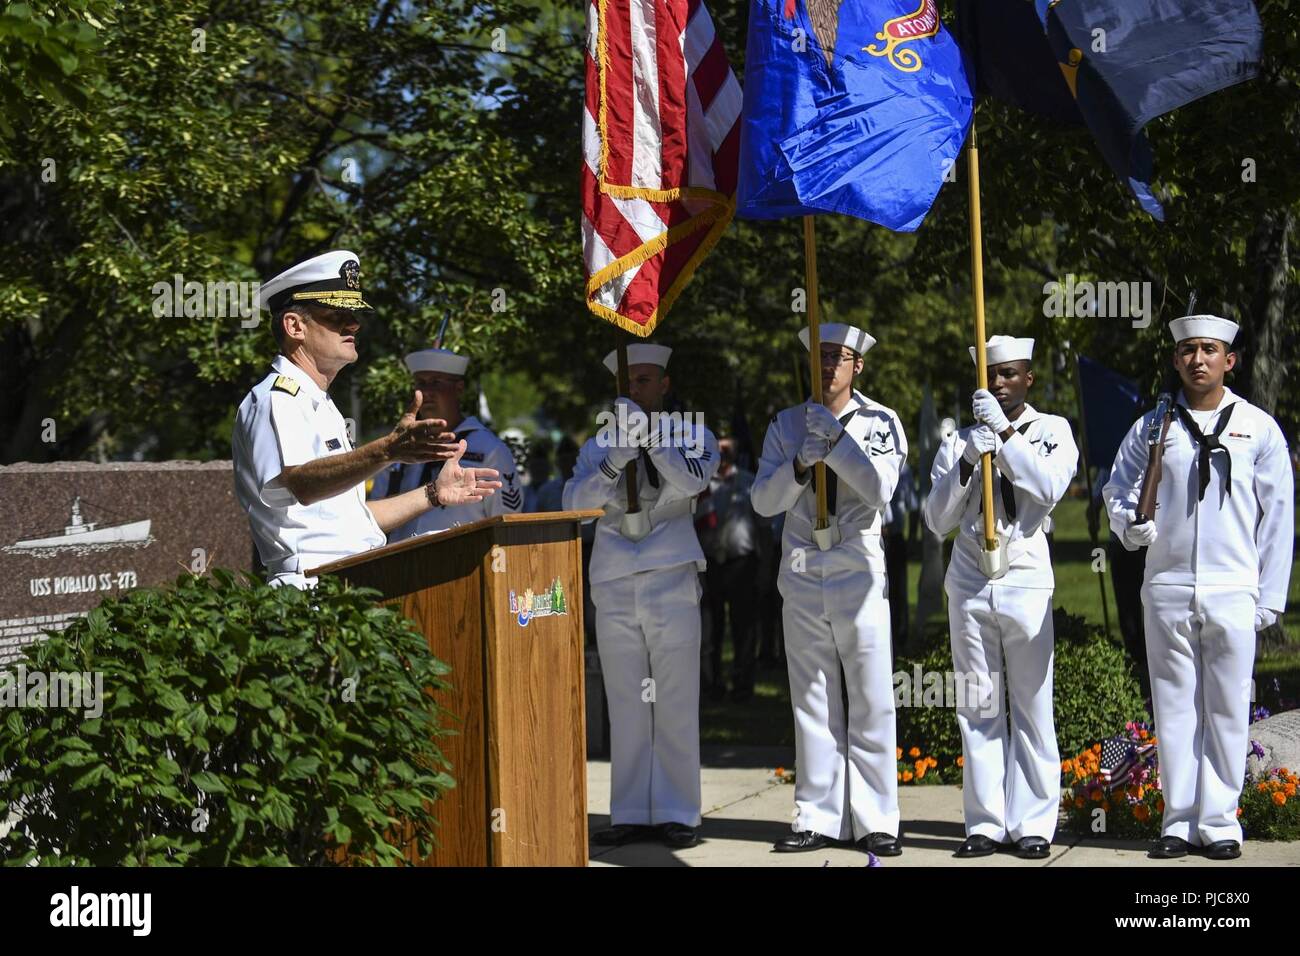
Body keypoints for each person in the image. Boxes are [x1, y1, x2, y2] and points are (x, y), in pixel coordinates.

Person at [1103, 314, 1293, 861]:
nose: (1198, 360)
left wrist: (1270, 596)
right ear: (1176, 360)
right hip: (1166, 583)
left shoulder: (1257, 428)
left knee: (1229, 706)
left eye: (1209, 350)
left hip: (1234, 585)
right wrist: (1128, 526)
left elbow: (1278, 519)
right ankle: (1178, 819)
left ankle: (1220, 821)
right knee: (1175, 706)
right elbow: (1118, 489)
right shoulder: (1151, 427)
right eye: (1188, 350)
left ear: (1229, 360)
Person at [232, 251, 501, 588]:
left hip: (347, 578)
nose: (354, 324)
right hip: (311, 586)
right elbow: (300, 483)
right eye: (336, 315)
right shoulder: (277, 398)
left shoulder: (319, 403)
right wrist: (387, 451)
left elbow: (353, 520)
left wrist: (434, 494)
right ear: (294, 326)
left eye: (354, 315)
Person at [750, 322, 906, 856]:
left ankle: (876, 818)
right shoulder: (786, 423)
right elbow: (763, 502)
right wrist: (799, 462)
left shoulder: (881, 421)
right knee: (812, 697)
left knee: (869, 695)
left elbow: (880, 487)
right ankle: (816, 815)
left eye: (839, 357)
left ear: (858, 365)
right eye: (820, 356)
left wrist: (837, 445)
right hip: (801, 567)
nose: (828, 366)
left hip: (856, 568)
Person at [923, 335, 1078, 860]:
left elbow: (1048, 485)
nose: (1000, 383)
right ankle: (985, 823)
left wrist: (1007, 435)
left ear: (1028, 378)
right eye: (991, 375)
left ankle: (1033, 822)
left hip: (1025, 581)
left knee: (1033, 706)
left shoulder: (1051, 430)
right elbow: (936, 519)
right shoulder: (956, 440)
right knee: (978, 708)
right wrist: (968, 459)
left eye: (1010, 374)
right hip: (969, 582)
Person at [563, 343, 719, 849]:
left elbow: (692, 480)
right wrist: (613, 464)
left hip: (670, 569)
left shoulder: (693, 433)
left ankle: (677, 811)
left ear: (665, 385)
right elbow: (574, 505)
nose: (636, 389)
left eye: (646, 381)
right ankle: (630, 810)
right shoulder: (597, 445)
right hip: (612, 576)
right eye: (629, 383)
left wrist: (649, 440)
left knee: (673, 697)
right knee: (626, 699)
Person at [368, 347, 521, 538]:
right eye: (421, 383)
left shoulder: (489, 449)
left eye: (436, 383)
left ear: (459, 388)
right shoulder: (400, 447)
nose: (427, 392)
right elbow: (373, 520)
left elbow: (507, 523)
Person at [701, 437, 761, 701]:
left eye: (727, 450)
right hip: (711, 563)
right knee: (712, 628)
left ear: (736, 453)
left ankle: (743, 682)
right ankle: (713, 683)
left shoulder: (748, 483)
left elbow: (764, 528)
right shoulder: (701, 485)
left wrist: (765, 566)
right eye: (718, 450)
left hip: (741, 563)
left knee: (743, 625)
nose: (723, 455)